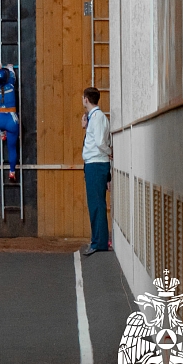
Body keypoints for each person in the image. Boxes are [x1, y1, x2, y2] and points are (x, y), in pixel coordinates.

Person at [81, 87, 111, 256]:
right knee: (95, 204)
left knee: (97, 204)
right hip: (94, 163)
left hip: (97, 164)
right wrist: (86, 128)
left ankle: (99, 242)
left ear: (86, 99)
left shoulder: (98, 117)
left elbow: (100, 142)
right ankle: (98, 240)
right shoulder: (93, 118)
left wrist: (109, 152)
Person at [0, 62, 21, 182]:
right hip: (11, 121)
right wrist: (10, 67)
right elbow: (12, 74)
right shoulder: (11, 85)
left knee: (0, 119)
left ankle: (2, 132)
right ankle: (12, 172)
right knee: (12, 148)